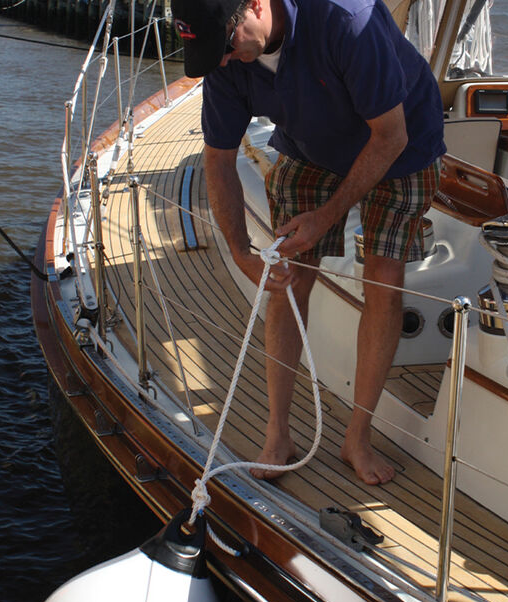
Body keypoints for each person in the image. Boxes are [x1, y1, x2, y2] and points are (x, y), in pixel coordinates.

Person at [171, 0, 445, 485]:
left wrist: (326, 216)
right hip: (311, 146)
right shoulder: (226, 60)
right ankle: (279, 435)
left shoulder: (345, 19)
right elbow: (218, 161)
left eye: (227, 45)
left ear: (255, 5)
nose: (224, 60)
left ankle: (356, 439)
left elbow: (390, 136)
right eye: (214, 53)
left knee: (383, 281)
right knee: (287, 280)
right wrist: (240, 252)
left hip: (402, 142)